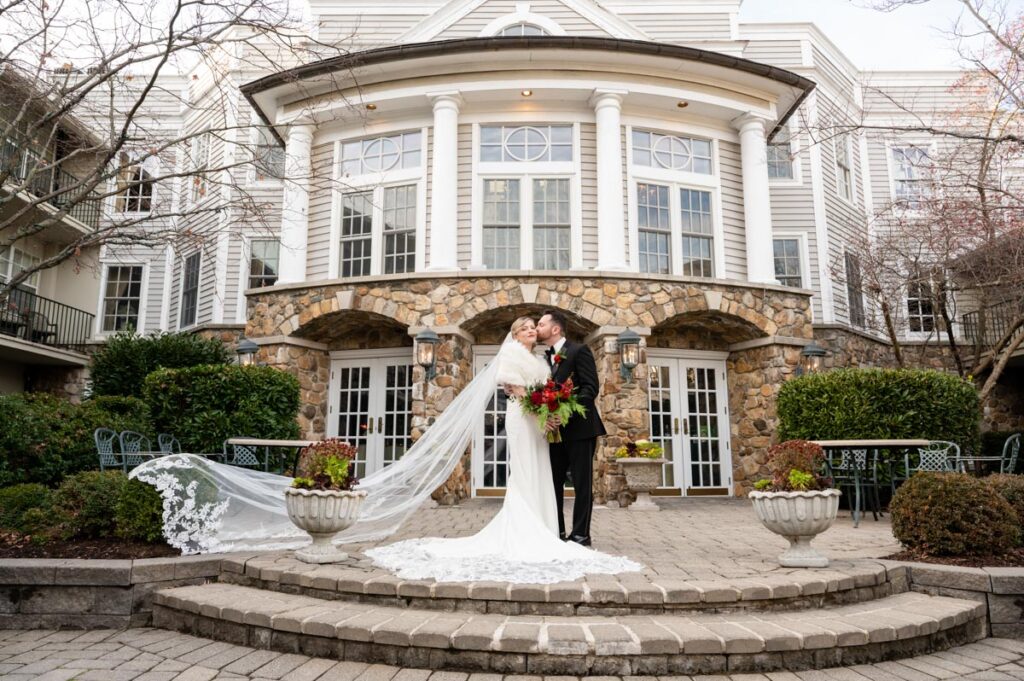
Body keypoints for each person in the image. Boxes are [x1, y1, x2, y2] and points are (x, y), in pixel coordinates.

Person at [363, 317, 640, 583]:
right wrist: (544, 410)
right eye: (528, 327)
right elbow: (517, 390)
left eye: (536, 326)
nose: (533, 330)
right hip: (524, 417)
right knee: (524, 470)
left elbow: (568, 388)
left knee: (542, 471)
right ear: (516, 333)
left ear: (552, 329)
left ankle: (552, 530)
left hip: (543, 424)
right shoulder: (510, 353)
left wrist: (550, 412)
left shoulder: (543, 358)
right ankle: (530, 529)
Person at [535, 310, 606, 547]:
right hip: (554, 434)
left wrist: (564, 413)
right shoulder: (544, 359)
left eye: (541, 324)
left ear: (555, 329)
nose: (537, 328)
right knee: (552, 483)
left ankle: (580, 535)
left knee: (582, 484)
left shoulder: (579, 351)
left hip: (580, 430)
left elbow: (590, 388)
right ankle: (557, 532)